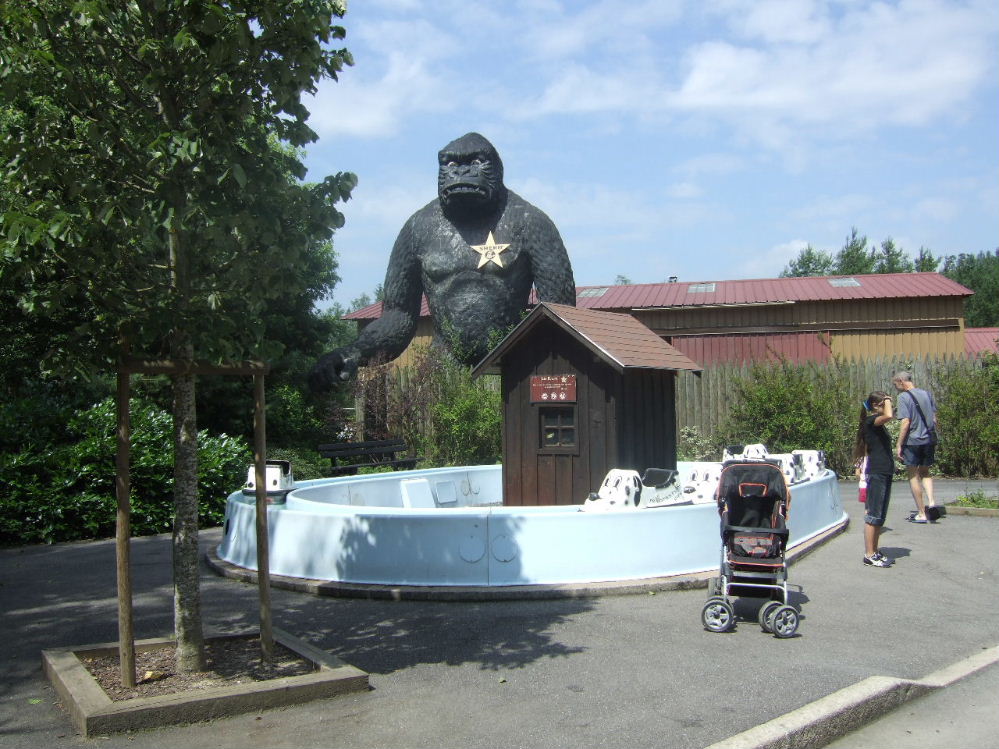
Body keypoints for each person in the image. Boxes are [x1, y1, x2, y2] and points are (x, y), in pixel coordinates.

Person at [853, 391, 895, 567]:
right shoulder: (871, 422)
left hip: (884, 471)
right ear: (876, 405)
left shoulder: (876, 424)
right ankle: (869, 554)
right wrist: (887, 401)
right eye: (885, 402)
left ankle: (875, 551)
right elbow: (889, 415)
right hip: (876, 472)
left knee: (880, 516)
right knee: (873, 515)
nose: (888, 405)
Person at [892, 371, 939, 523]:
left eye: (895, 384)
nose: (896, 387)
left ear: (901, 381)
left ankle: (921, 513)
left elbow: (906, 422)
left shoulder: (903, 397)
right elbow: (934, 419)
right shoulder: (927, 394)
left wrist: (899, 444)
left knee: (913, 475)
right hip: (928, 440)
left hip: (912, 441)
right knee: (925, 472)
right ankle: (931, 504)